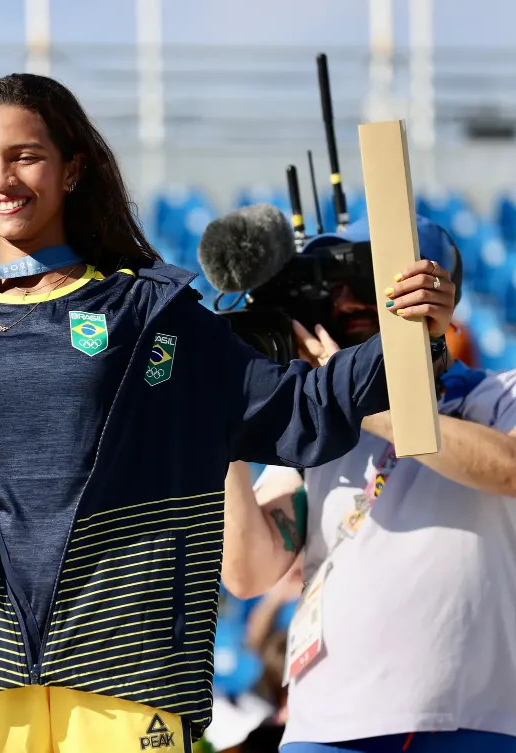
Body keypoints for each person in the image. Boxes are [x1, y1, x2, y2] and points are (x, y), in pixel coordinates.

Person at [0, 73, 457, 751]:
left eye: (25, 156)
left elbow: (298, 409)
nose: (1, 180)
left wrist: (407, 333)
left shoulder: (155, 316)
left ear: (73, 169)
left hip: (127, 667)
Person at [221, 217, 516, 752]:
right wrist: (223, 426)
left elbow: (510, 467)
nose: (348, 303)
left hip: (474, 720)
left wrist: (351, 395)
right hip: (328, 728)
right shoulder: (313, 427)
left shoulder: (498, 395)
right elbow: (249, 572)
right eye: (332, 289)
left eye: (366, 285)